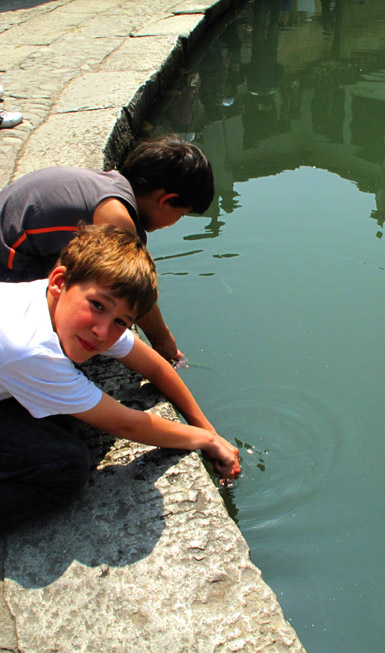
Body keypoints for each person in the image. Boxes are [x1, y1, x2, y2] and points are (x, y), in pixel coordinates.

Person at [0, 223, 240, 531]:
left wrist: (208, 429)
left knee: (65, 416)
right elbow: (126, 423)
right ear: (59, 282)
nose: (102, 331)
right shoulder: (31, 349)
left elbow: (154, 367)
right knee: (68, 468)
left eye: (120, 322)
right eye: (97, 306)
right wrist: (204, 440)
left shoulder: (54, 300)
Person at [0, 134, 215, 361]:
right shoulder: (116, 217)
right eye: (180, 214)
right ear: (166, 200)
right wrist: (165, 344)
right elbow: (133, 289)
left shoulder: (111, 184)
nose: (175, 221)